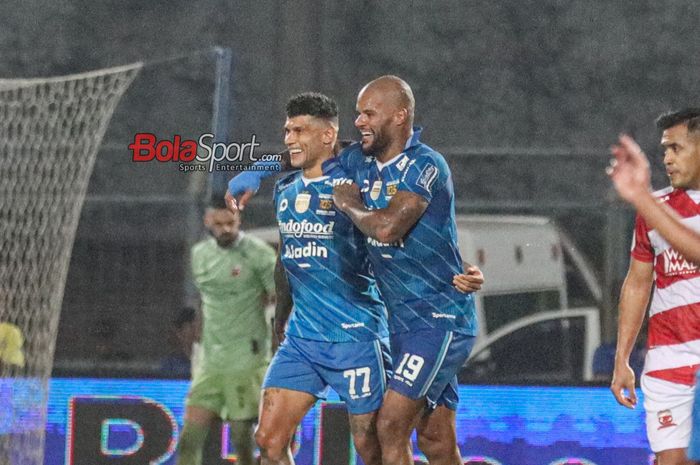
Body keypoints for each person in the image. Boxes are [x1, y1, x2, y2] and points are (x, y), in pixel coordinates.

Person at [227, 78, 484, 465]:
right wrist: (255, 171)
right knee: (432, 439)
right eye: (358, 113)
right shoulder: (340, 170)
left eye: (368, 113)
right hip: (361, 329)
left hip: (409, 324)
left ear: (399, 116)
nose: (359, 121)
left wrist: (347, 205)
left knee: (389, 432)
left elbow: (389, 230)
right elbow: (302, 161)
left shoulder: (402, 167)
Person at [253, 92, 392, 465]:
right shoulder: (285, 189)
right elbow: (285, 258)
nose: (289, 139)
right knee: (268, 440)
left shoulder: (356, 183)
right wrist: (281, 315)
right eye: (286, 130)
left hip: (356, 334)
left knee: (369, 445)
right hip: (303, 339)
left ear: (328, 136)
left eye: (300, 130)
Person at [610, 108, 700, 465]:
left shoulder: (654, 210)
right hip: (668, 363)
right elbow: (637, 282)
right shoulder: (657, 210)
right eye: (663, 150)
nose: (667, 159)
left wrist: (641, 198)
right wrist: (622, 359)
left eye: (676, 148)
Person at [176, 201, 276, 465]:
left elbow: (279, 299)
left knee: (242, 439)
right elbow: (205, 301)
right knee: (189, 439)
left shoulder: (259, 254)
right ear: (208, 222)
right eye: (219, 224)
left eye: (230, 223)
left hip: (247, 358)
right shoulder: (200, 255)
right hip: (210, 363)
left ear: (238, 219)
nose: (225, 229)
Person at [160, 307, 199, 378]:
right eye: (190, 327)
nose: (195, 332)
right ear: (179, 333)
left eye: (196, 327)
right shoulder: (170, 364)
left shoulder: (208, 360)